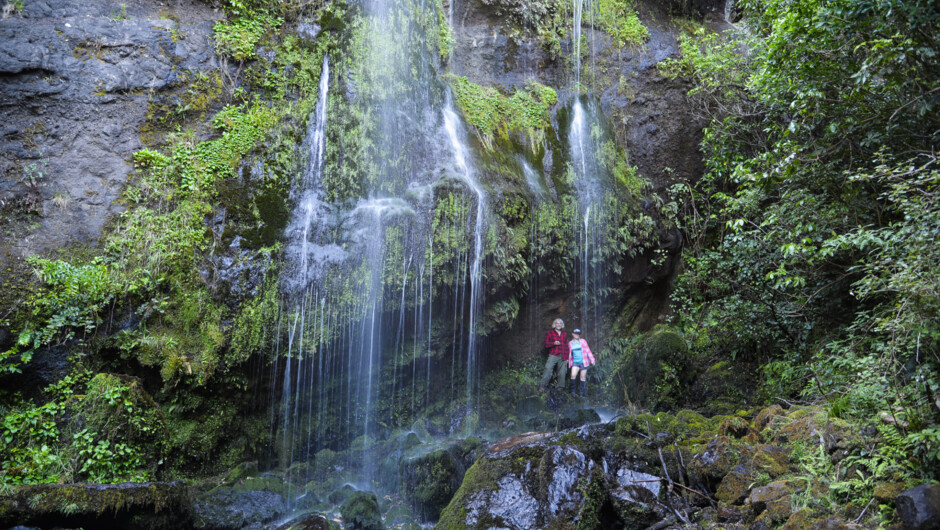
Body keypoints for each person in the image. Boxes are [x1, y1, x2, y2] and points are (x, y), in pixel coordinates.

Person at [539, 318, 569, 392]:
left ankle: (560, 389)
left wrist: (568, 358)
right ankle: (542, 386)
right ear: (554, 325)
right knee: (548, 368)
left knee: (562, 372)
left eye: (560, 323)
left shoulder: (564, 334)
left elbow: (567, 346)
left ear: (562, 325)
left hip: (563, 355)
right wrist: (553, 343)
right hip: (553, 354)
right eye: (557, 323)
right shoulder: (550, 333)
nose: (558, 324)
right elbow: (545, 344)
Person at [568, 329, 595, 397]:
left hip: (584, 362)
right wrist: (567, 359)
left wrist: (592, 360)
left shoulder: (583, 341)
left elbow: (588, 350)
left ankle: (581, 394)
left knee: (582, 377)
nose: (577, 335)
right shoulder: (570, 343)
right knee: (573, 375)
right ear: (572, 334)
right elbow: (569, 353)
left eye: (578, 334)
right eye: (575, 333)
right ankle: (572, 392)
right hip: (575, 362)